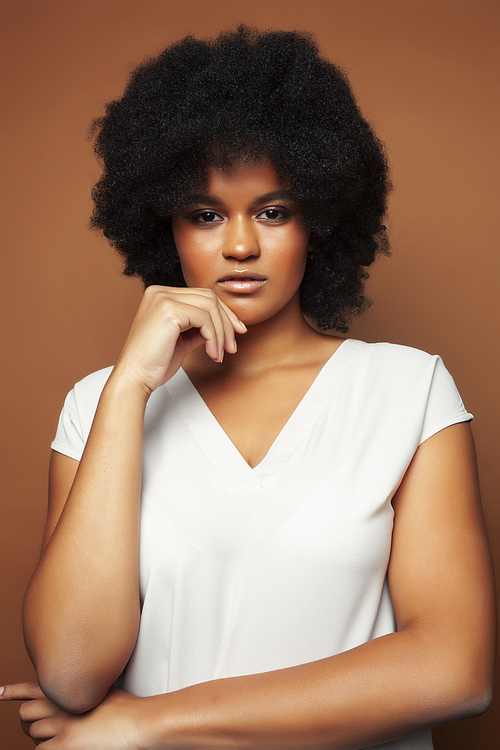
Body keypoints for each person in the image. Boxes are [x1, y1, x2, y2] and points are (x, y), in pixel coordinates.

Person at [0, 25, 495, 750]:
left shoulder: (409, 390)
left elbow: (454, 669)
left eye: (272, 211)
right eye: (205, 215)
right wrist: (129, 388)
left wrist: (148, 723)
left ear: (318, 223)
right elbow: (73, 671)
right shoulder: (99, 406)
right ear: (164, 225)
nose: (239, 245)